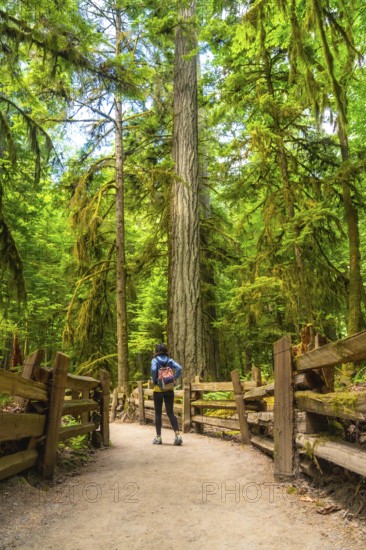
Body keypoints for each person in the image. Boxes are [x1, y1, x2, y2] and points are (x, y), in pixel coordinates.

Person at [151, 343, 183, 446]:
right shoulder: (170, 360)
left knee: (158, 413)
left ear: (157, 351)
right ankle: (177, 436)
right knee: (170, 412)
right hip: (169, 389)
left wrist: (155, 380)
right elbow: (179, 368)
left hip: (158, 390)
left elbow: (153, 369)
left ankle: (159, 438)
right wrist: (174, 379)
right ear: (165, 351)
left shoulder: (154, 360)